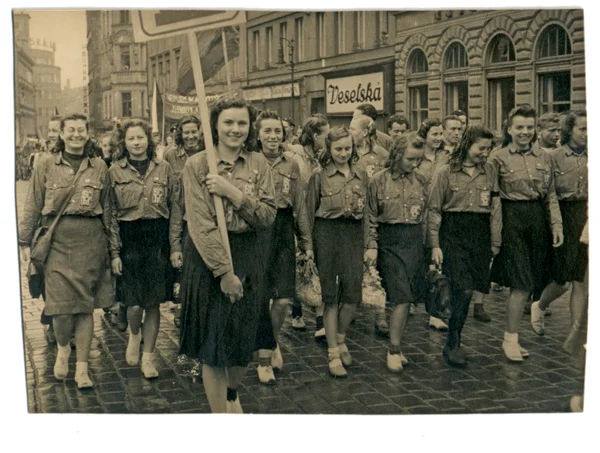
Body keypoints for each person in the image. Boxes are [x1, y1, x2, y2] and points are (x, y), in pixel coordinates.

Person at [178, 97, 276, 413]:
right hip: (209, 260)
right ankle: (221, 418)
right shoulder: (196, 166)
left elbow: (266, 216)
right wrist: (223, 273)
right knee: (213, 344)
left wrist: (232, 192)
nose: (235, 129)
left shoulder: (259, 164)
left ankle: (232, 393)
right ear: (215, 125)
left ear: (250, 128)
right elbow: (200, 225)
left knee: (243, 341)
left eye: (242, 123)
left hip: (249, 254)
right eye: (228, 122)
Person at [19, 113, 114, 388]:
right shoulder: (46, 165)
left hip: (91, 243)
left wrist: (113, 250)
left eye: (81, 130)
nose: (76, 134)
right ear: (61, 134)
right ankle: (63, 348)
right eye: (70, 130)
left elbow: (108, 211)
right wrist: (25, 242)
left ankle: (82, 369)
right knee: (60, 309)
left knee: (85, 308)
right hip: (56, 243)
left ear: (87, 133)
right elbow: (33, 204)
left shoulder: (99, 167)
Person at [109, 119, 182, 379]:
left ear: (148, 141)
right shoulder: (114, 172)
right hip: (130, 240)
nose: (137, 143)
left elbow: (175, 210)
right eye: (131, 139)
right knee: (134, 305)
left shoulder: (165, 169)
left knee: (153, 304)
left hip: (156, 239)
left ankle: (149, 358)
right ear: (124, 143)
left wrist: (175, 246)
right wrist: (114, 253)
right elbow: (111, 215)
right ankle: (134, 333)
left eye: (140, 138)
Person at [489, 105, 563, 362]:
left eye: (529, 127)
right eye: (519, 127)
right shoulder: (497, 158)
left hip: (538, 220)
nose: (525, 132)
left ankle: (515, 336)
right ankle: (510, 338)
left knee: (534, 282)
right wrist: (496, 236)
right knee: (520, 283)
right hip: (512, 220)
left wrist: (556, 226)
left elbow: (550, 194)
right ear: (509, 129)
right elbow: (493, 199)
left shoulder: (544, 157)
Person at [427, 125, 500, 366]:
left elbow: (494, 208)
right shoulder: (445, 172)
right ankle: (452, 341)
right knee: (463, 287)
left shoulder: (490, 170)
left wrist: (495, 240)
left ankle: (455, 335)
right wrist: (435, 244)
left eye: (488, 149)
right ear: (467, 145)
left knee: (470, 289)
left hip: (478, 233)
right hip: (453, 232)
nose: (485, 153)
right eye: (481, 148)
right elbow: (434, 210)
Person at [254, 111, 312, 385]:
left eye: (277, 131)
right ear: (258, 134)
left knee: (283, 299)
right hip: (255, 232)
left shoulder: (292, 164)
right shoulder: (249, 162)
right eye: (267, 131)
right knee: (258, 298)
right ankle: (263, 359)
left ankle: (271, 340)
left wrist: (306, 243)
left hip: (282, 229)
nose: (273, 136)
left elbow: (299, 206)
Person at [306, 126, 367, 377]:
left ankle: (341, 338)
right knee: (330, 297)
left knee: (352, 295)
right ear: (329, 150)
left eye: (348, 148)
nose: (343, 153)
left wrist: (369, 244)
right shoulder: (318, 177)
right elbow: (308, 214)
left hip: (353, 235)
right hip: (327, 235)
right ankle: (333, 353)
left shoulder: (362, 175)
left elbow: (369, 213)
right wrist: (308, 248)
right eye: (338, 149)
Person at [365, 132, 427, 372]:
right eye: (410, 159)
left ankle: (398, 345)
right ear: (397, 155)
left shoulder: (422, 180)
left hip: (413, 240)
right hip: (389, 241)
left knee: (408, 298)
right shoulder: (378, 181)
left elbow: (428, 214)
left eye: (418, 160)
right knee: (400, 297)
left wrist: (432, 247)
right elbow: (370, 216)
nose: (414, 164)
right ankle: (393, 348)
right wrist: (371, 245)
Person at [530, 111, 587, 353]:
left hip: (587, 217)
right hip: (563, 216)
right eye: (582, 129)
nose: (587, 134)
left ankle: (576, 331)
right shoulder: (553, 157)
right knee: (563, 279)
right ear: (570, 131)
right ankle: (540, 305)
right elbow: (548, 194)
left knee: (581, 280)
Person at [350, 114, 390, 336]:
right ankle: (351, 307)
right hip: (354, 214)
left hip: (375, 213)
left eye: (353, 128)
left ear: (365, 132)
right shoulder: (346, 152)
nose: (350, 132)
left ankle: (380, 316)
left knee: (377, 265)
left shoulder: (382, 155)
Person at [291, 115, 330, 336]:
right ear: (315, 136)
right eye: (326, 135)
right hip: (298, 216)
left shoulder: (318, 157)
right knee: (299, 263)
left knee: (313, 263)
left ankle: (320, 319)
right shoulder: (297, 157)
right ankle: (296, 311)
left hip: (314, 215)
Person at [164, 116, 204, 328]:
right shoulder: (171, 155)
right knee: (182, 266)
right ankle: (182, 308)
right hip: (180, 213)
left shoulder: (208, 153)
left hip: (203, 215)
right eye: (186, 132)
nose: (190, 136)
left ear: (200, 132)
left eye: (193, 131)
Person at [415, 119, 450, 330]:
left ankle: (435, 313)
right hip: (418, 212)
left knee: (437, 261)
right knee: (420, 259)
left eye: (440, 134)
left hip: (439, 212)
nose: (438, 138)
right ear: (425, 135)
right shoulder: (417, 156)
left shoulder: (446, 156)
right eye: (434, 134)